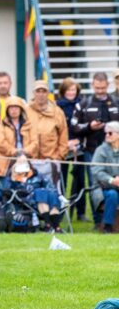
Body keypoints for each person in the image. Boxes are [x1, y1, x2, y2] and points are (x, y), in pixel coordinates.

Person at [71, 72, 119, 226]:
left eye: (103, 88)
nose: (99, 91)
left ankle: (110, 220)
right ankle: (98, 221)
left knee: (112, 184)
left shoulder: (116, 102)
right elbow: (74, 126)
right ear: (92, 85)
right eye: (97, 88)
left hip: (114, 150)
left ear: (108, 85)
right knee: (94, 184)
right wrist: (89, 127)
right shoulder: (83, 104)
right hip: (90, 150)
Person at [3, 156, 63, 233]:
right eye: (20, 162)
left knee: (49, 194)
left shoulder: (37, 175)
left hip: (45, 199)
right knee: (39, 192)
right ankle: (56, 227)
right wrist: (13, 178)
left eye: (24, 162)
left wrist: (48, 192)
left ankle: (49, 225)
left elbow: (50, 186)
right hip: (28, 200)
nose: (22, 164)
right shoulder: (12, 178)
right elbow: (6, 190)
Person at [26, 80, 68, 188]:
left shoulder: (57, 112)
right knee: (30, 192)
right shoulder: (26, 111)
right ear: (33, 93)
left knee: (52, 193)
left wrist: (58, 157)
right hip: (30, 161)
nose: (41, 94)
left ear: (48, 93)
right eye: (38, 91)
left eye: (43, 91)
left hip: (51, 162)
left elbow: (63, 137)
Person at [56, 78, 87, 221]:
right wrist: (66, 142)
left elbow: (84, 126)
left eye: (73, 90)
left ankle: (80, 212)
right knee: (61, 180)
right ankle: (61, 211)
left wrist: (77, 141)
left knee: (80, 180)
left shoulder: (83, 105)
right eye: (68, 90)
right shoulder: (57, 106)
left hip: (78, 146)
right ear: (63, 91)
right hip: (62, 147)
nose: (71, 92)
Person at [0, 96, 38, 179]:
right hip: (7, 161)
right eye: (11, 108)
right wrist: (16, 153)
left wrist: (24, 153)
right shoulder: (1, 124)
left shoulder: (29, 124)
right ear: (7, 110)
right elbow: (0, 143)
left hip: (26, 158)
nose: (14, 110)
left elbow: (35, 142)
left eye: (16, 107)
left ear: (21, 109)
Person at [91, 121, 119, 233]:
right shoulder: (100, 150)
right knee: (112, 195)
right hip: (102, 188)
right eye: (106, 133)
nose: (107, 135)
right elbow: (96, 171)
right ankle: (108, 226)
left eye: (110, 133)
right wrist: (112, 180)